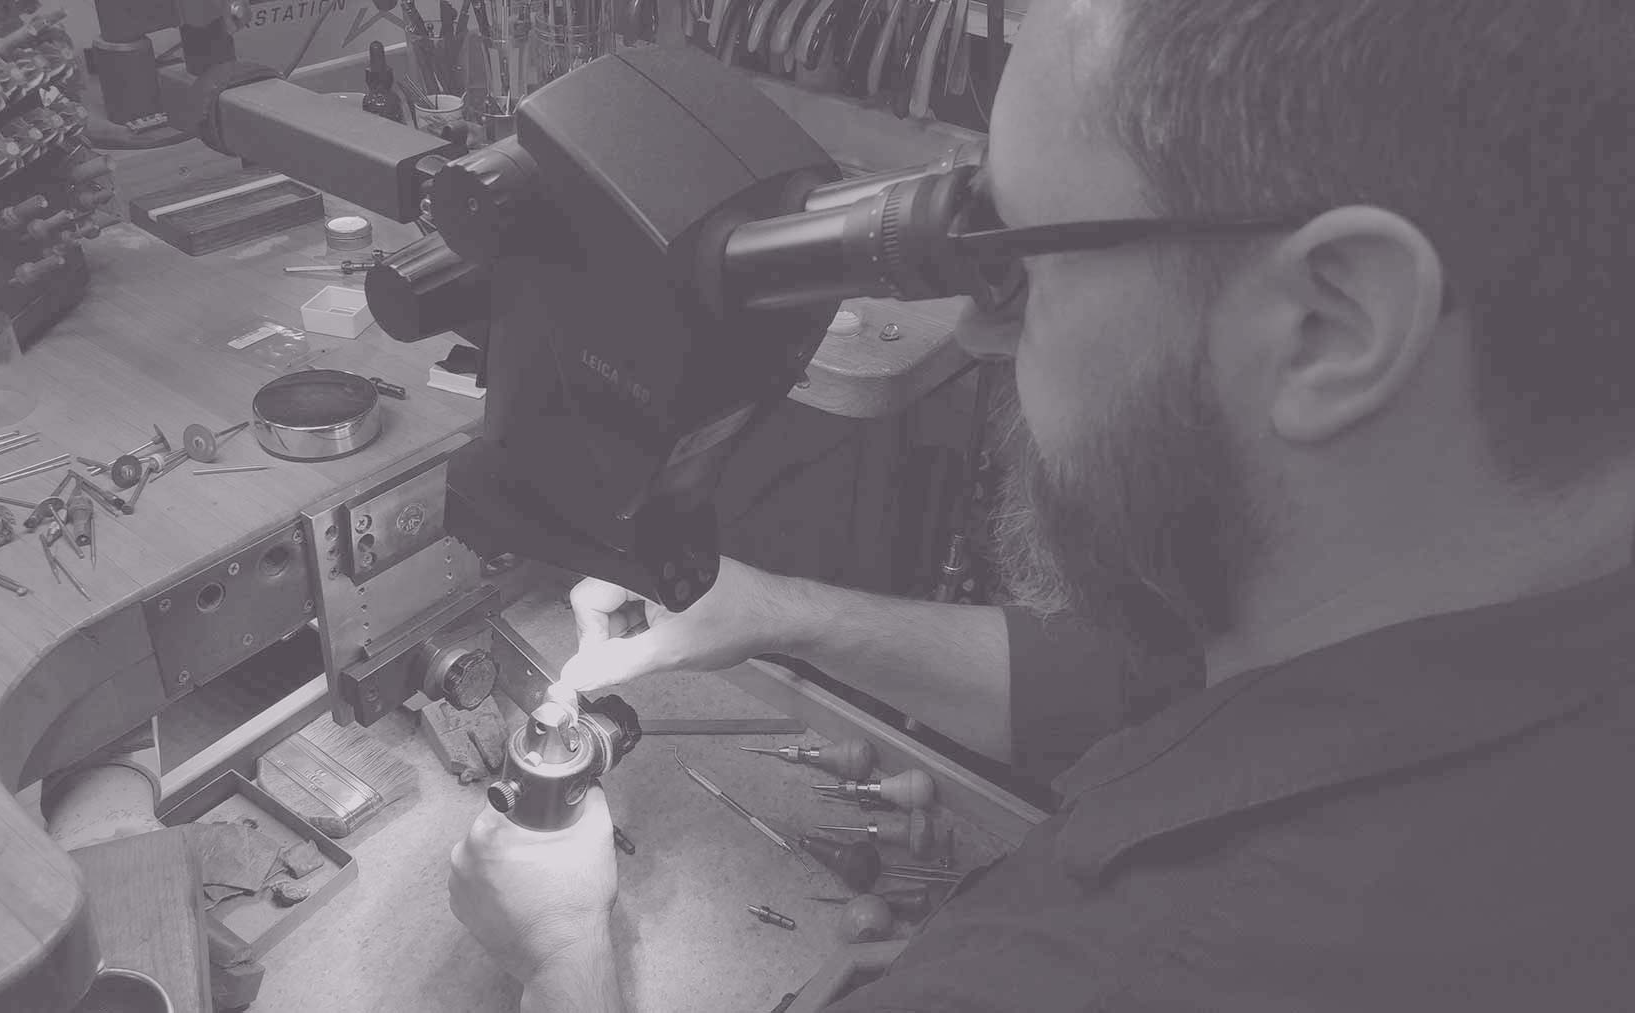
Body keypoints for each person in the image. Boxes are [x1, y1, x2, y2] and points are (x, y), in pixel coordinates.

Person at [449, 0, 1635, 1008]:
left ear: (1331, 326)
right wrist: (778, 610)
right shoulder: (1501, 604)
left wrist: (561, 956)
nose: (974, 324)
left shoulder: (1118, 965)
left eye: (1020, 259)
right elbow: (1141, 684)